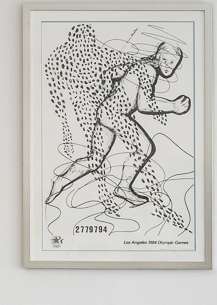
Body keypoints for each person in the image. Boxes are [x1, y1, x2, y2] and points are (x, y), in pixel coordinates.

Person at [45, 38, 190, 207]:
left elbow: (112, 73)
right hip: (115, 114)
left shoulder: (140, 64)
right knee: (145, 148)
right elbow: (144, 105)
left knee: (95, 160)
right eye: (164, 60)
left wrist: (113, 90)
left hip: (106, 111)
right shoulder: (149, 70)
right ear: (157, 56)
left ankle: (60, 181)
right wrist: (172, 106)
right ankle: (123, 187)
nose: (167, 65)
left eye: (172, 63)